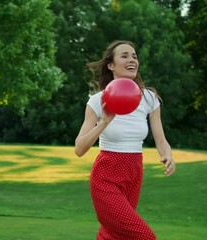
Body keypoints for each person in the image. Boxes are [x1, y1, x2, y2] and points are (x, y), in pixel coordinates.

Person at [75, 40, 176, 240]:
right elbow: (79, 148)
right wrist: (104, 122)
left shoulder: (149, 98)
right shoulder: (97, 100)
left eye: (134, 56)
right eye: (125, 56)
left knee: (114, 235)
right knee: (145, 236)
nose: (132, 60)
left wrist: (167, 155)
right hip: (106, 175)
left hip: (134, 173)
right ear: (111, 65)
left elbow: (160, 138)